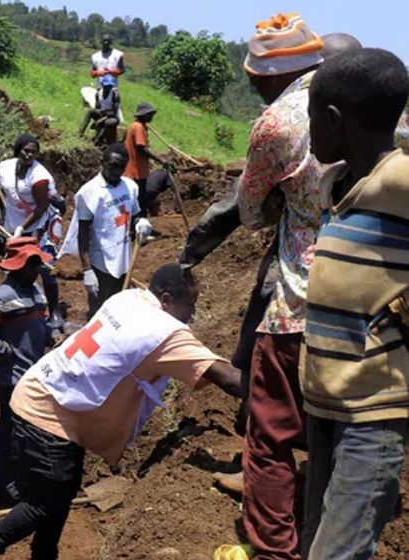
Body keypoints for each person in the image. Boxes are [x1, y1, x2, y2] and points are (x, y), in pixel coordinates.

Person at [0, 265, 242, 560]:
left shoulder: (128, 298)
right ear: (167, 299)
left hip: (42, 393)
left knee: (61, 493)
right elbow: (229, 379)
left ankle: (43, 555)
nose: (192, 314)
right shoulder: (166, 332)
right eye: (190, 305)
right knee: (45, 503)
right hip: (49, 415)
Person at [207, 14, 333, 560]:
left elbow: (252, 210)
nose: (253, 85)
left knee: (270, 430)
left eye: (256, 76)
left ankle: (274, 548)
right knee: (338, 430)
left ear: (274, 74)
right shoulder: (375, 109)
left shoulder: (277, 123)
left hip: (302, 297)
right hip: (373, 296)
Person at [301, 48, 409, 560]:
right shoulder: (339, 186)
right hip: (325, 403)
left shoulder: (398, 179)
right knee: (318, 545)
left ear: (334, 120)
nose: (308, 132)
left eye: (310, 121)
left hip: (372, 413)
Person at [0, 237, 53, 508]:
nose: (36, 269)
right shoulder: (6, 294)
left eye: (38, 263)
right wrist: (2, 349)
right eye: (31, 264)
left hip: (33, 374)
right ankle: (1, 487)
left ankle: (17, 481)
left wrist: (49, 336)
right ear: (16, 267)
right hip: (14, 378)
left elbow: (43, 319)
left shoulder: (35, 289)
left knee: (25, 431)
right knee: (10, 433)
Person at [59, 143, 152, 317]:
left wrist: (141, 223)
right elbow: (83, 234)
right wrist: (87, 270)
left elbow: (135, 215)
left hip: (124, 257)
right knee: (100, 312)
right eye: (112, 166)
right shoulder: (89, 193)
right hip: (101, 262)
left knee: (118, 308)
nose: (115, 171)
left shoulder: (130, 187)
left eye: (120, 167)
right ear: (102, 162)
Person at [0, 134, 62, 320]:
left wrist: (22, 229)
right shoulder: (6, 167)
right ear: (18, 150)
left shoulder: (39, 177)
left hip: (39, 226)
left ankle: (55, 312)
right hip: (14, 225)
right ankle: (23, 308)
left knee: (44, 269)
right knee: (17, 267)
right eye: (26, 150)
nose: (29, 155)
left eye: (34, 152)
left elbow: (41, 207)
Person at [124, 102, 169, 194]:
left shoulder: (140, 126)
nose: (151, 117)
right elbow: (141, 148)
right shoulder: (138, 127)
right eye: (150, 115)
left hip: (138, 170)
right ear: (144, 115)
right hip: (135, 172)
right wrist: (159, 159)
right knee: (138, 199)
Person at [79, 73, 121, 145]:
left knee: (109, 122)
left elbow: (114, 112)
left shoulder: (115, 95)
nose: (108, 88)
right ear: (103, 84)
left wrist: (103, 119)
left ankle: (98, 140)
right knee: (90, 111)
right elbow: (97, 108)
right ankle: (80, 132)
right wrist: (99, 118)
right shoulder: (98, 94)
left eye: (110, 86)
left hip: (111, 117)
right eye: (107, 86)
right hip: (102, 114)